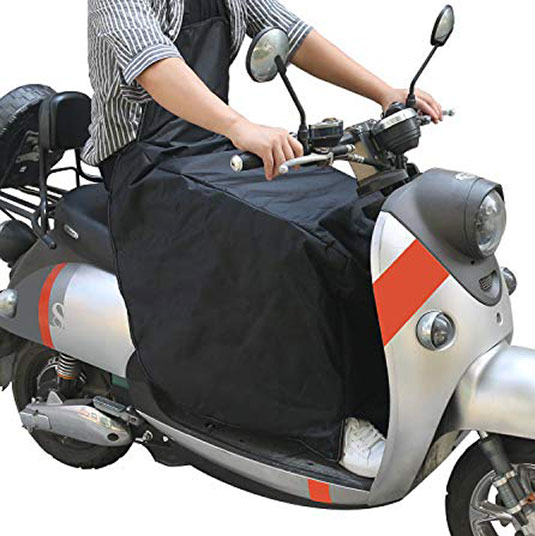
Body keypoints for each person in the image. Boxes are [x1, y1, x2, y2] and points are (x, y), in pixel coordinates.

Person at [84, 0, 441, 479]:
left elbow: (291, 33)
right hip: (148, 165)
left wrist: (384, 92)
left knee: (357, 213)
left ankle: (385, 387)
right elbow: (153, 65)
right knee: (292, 242)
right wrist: (240, 127)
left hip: (211, 145)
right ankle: (325, 425)